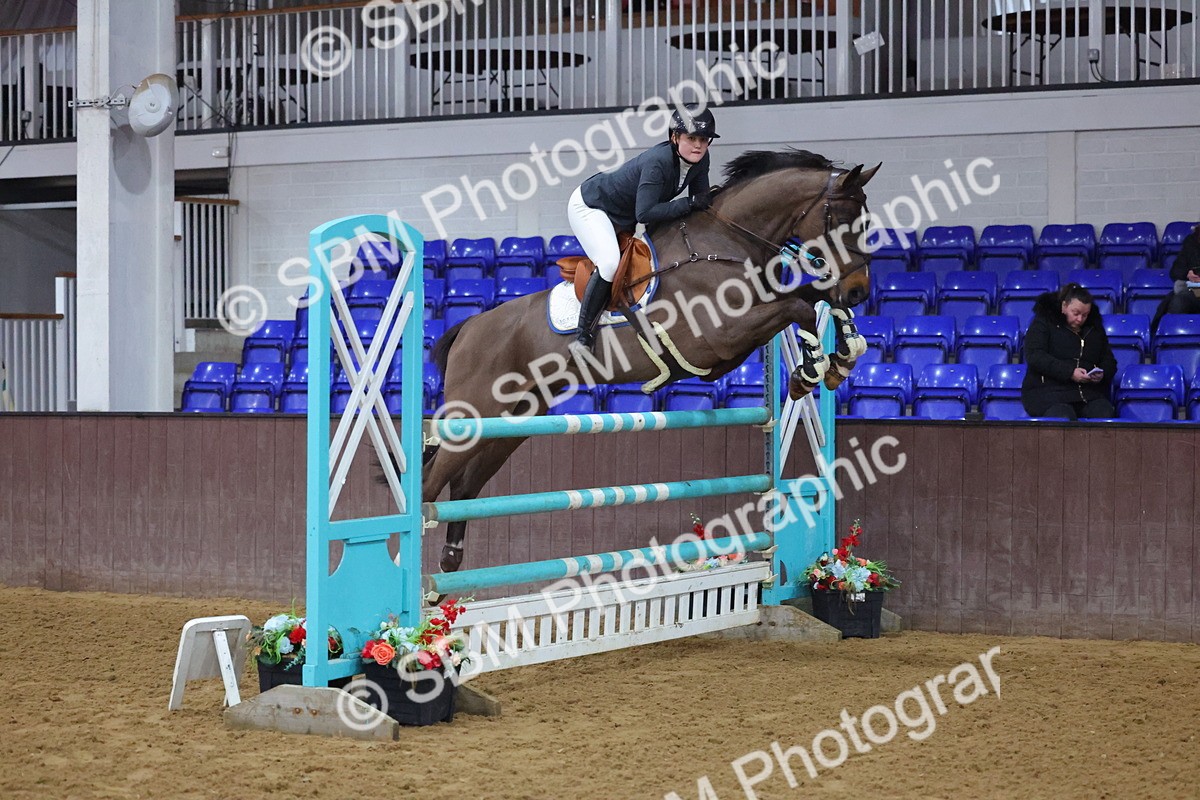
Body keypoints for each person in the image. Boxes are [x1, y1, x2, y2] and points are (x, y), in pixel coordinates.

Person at [566, 103, 718, 353]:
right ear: (674, 137)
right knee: (609, 263)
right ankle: (583, 337)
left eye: (704, 139)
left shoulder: (701, 160)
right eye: (691, 138)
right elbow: (645, 213)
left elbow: (699, 205)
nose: (698, 145)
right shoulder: (658, 162)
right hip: (591, 207)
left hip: (624, 216)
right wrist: (689, 203)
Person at [1021, 283, 1118, 420]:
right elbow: (1035, 356)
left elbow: (1109, 360)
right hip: (1048, 393)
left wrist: (1102, 374)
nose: (1080, 319)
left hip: (1088, 393)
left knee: (1104, 413)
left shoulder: (1095, 329)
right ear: (1064, 306)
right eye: (1076, 313)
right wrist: (1069, 372)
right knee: (1062, 417)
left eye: (1085, 315)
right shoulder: (1043, 322)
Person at [1150, 223, 1200, 335]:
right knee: (1177, 301)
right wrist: (1188, 274)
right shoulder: (1191, 242)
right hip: (1196, 289)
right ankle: (1171, 341)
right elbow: (1175, 271)